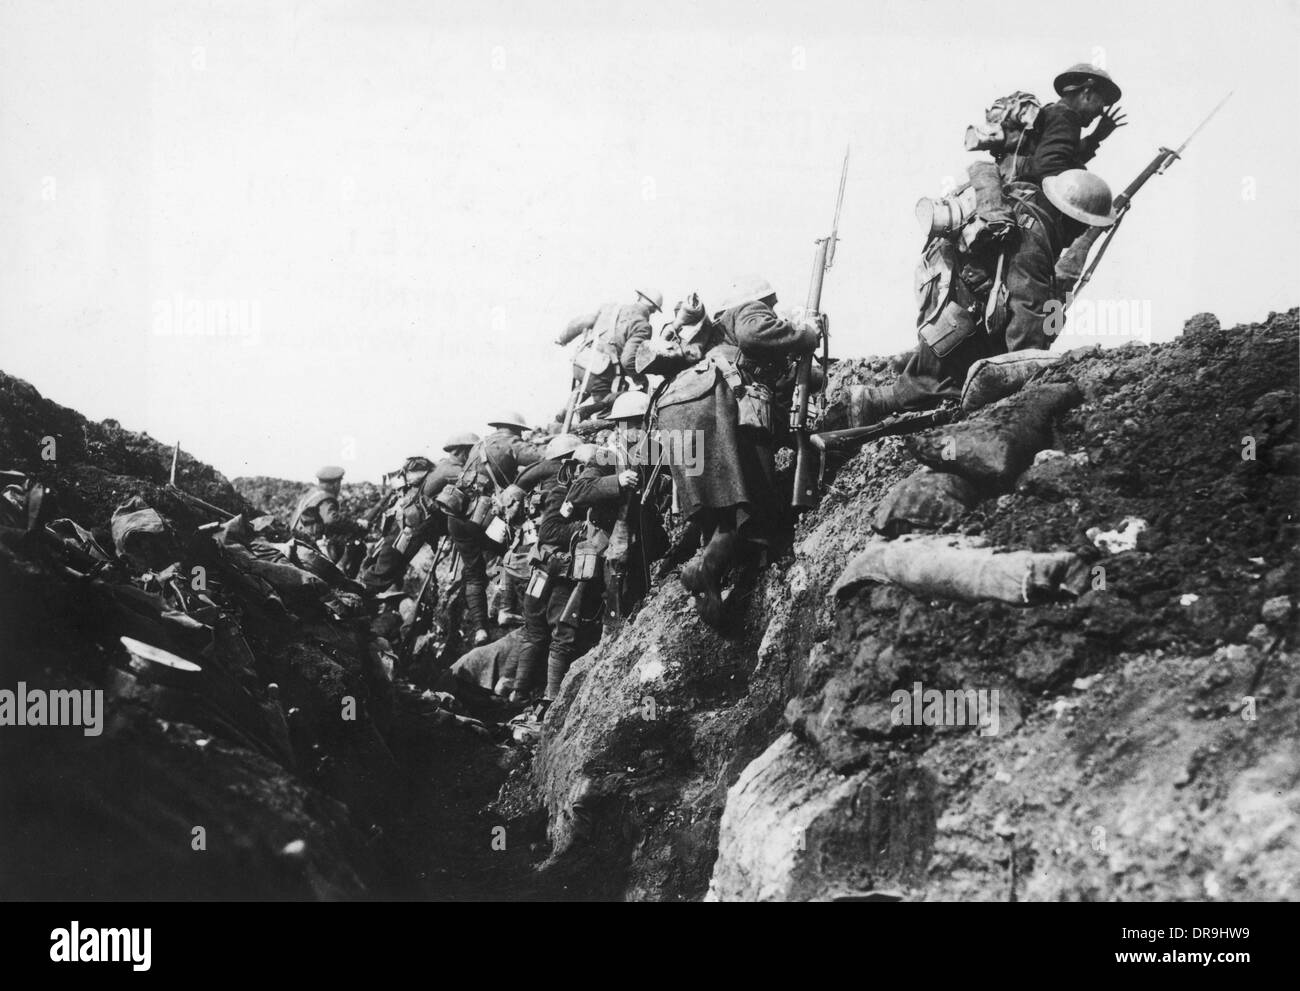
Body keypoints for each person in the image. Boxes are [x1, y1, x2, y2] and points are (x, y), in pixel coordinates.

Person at [839, 169, 1119, 422]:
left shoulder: (1027, 201)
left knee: (948, 368)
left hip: (941, 282)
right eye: (1080, 226)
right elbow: (1027, 322)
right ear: (1066, 217)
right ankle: (873, 402)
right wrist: (1031, 376)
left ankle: (898, 380)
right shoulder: (1032, 243)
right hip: (953, 304)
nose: (1076, 235)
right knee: (943, 384)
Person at [637, 278, 820, 626]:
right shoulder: (748, 311)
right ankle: (707, 571)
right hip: (712, 403)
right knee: (748, 502)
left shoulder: (716, 335)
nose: (772, 310)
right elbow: (755, 333)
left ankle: (713, 580)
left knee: (719, 508)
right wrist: (806, 334)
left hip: (676, 410)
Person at [447, 412, 545, 645]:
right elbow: (543, 458)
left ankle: (480, 629)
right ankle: (506, 609)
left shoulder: (479, 445)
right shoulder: (512, 443)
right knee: (515, 550)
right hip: (483, 518)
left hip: (457, 515)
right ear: (516, 429)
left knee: (473, 574)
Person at [556, 288, 663, 420]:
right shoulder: (642, 325)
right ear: (652, 309)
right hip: (600, 373)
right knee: (610, 410)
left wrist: (562, 338)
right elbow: (627, 360)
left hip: (581, 363)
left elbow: (583, 321)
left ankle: (563, 416)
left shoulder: (611, 308)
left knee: (583, 390)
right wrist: (640, 380)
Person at [1021, 63, 1126, 185]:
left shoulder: (1053, 111)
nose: (1101, 111)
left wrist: (1096, 137)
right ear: (1087, 92)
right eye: (1102, 102)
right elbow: (1049, 166)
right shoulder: (1066, 115)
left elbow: (1066, 159)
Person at [290, 465, 366, 570]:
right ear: (335, 484)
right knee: (356, 547)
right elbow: (331, 520)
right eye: (339, 483)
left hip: (296, 538)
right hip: (311, 544)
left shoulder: (311, 493)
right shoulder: (326, 498)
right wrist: (356, 526)